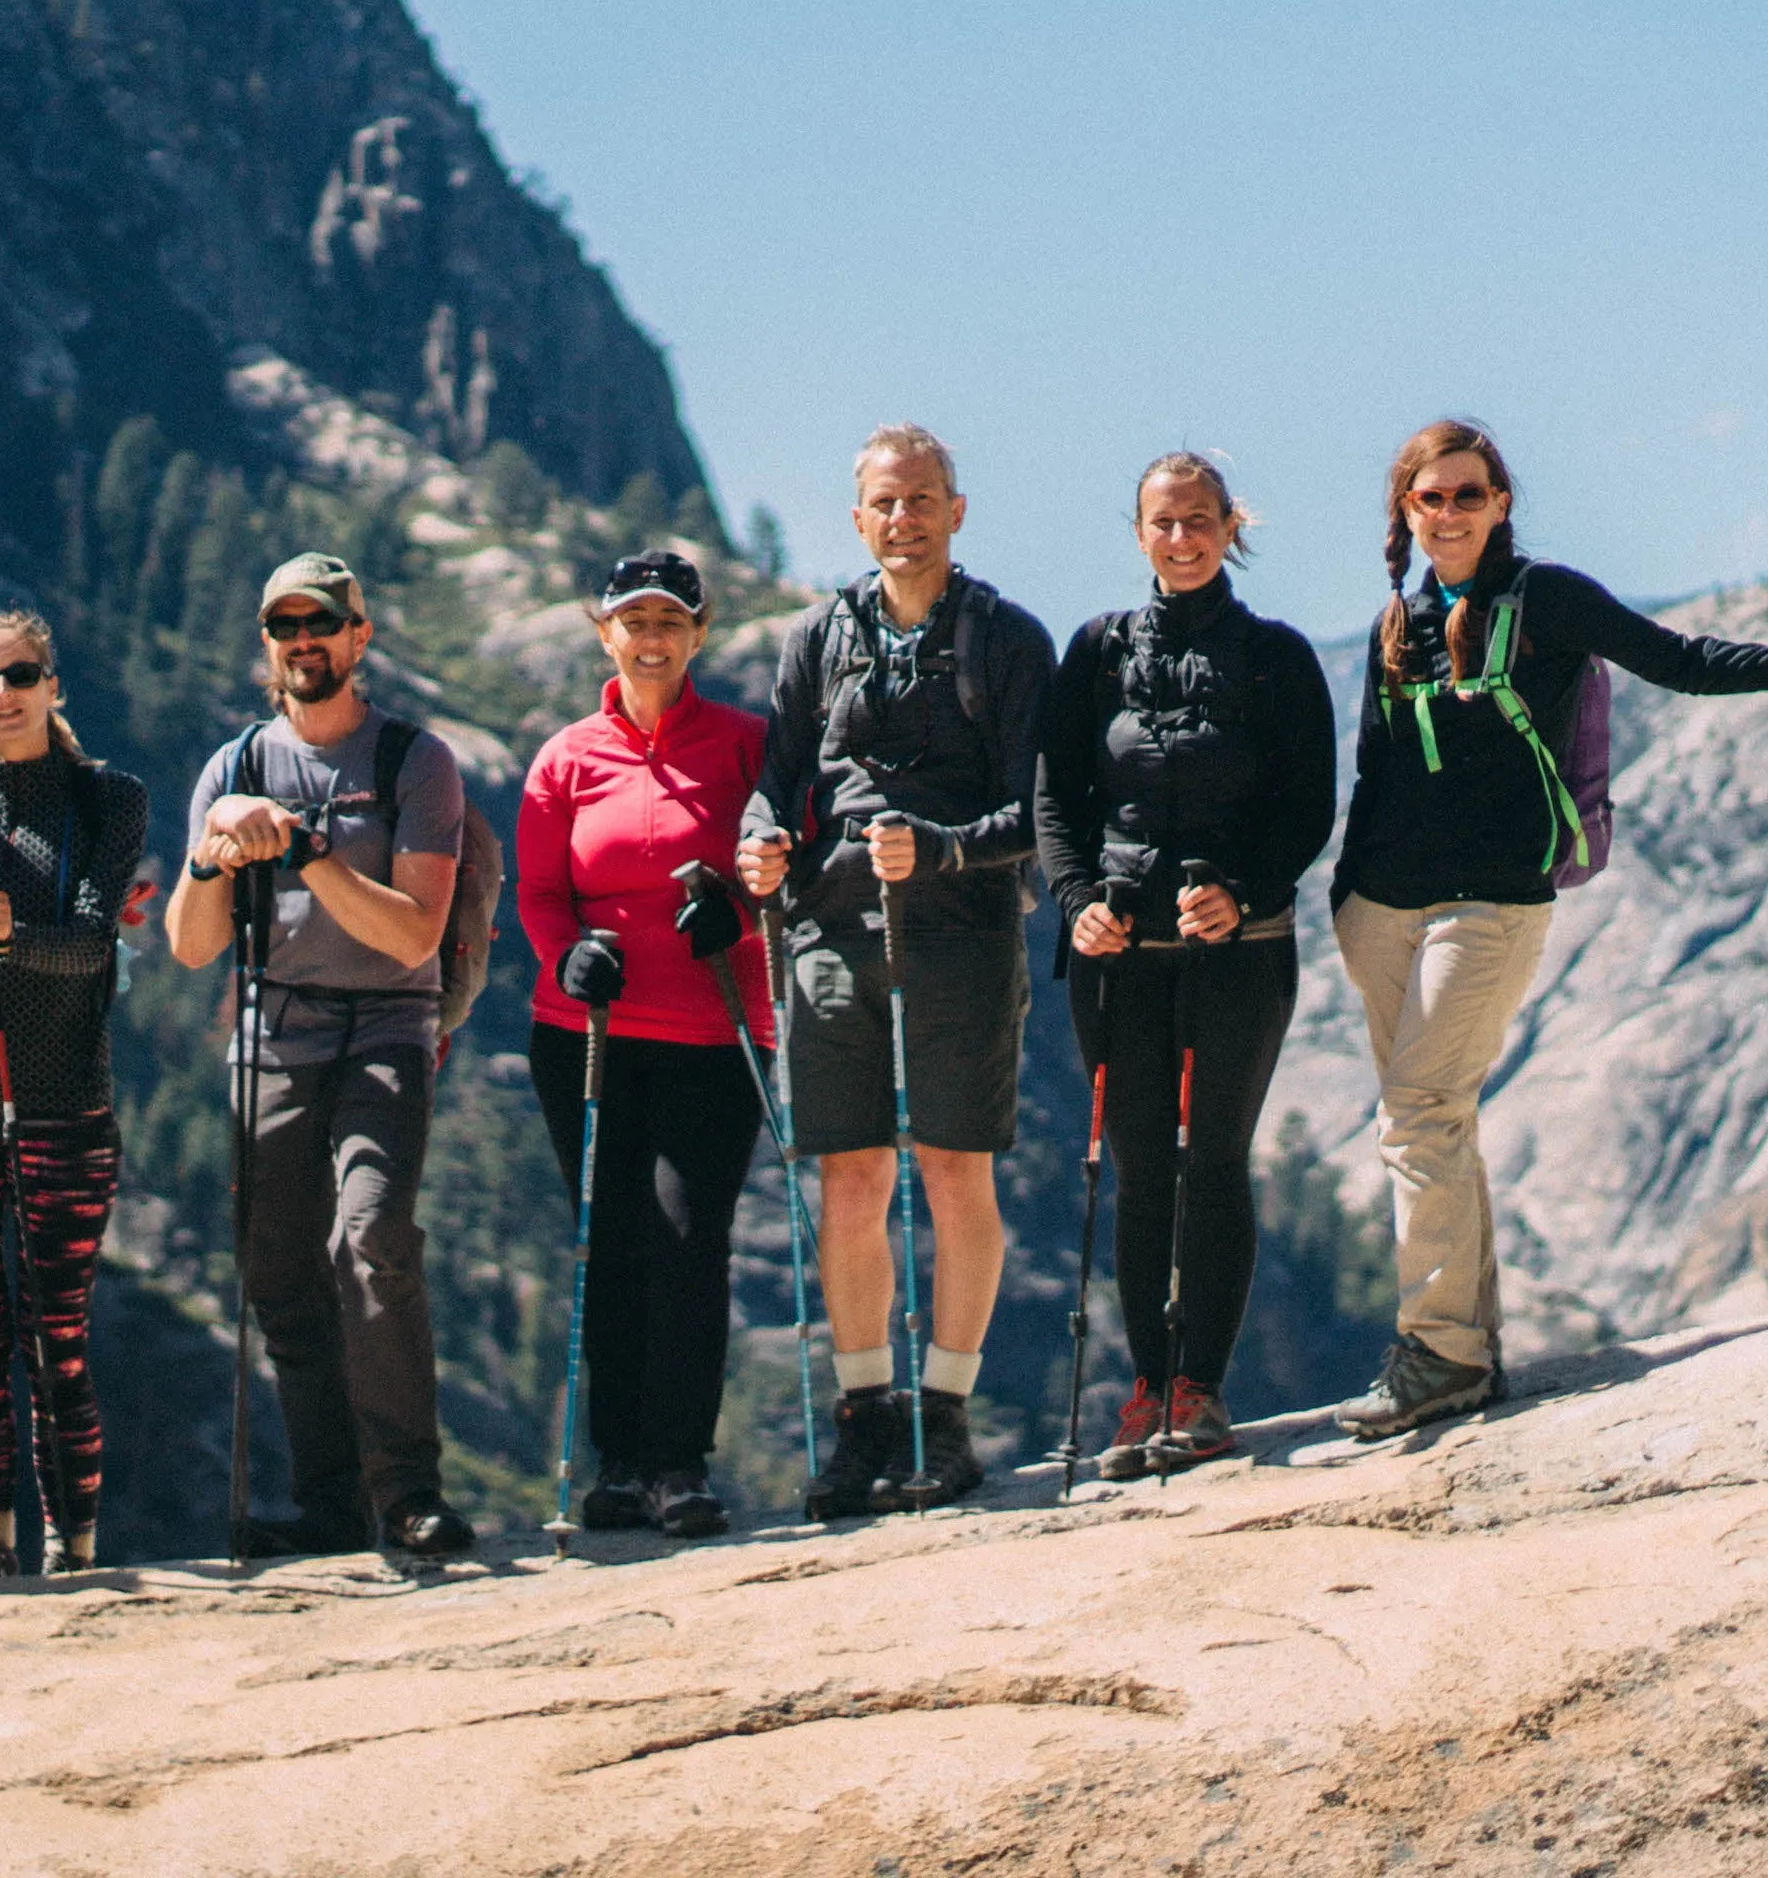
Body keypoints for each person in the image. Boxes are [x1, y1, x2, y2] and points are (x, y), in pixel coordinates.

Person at [1327, 418, 1768, 1439]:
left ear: (1501, 505)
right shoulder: (1394, 625)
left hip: (1490, 904)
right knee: (1439, 1119)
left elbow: (1679, 660)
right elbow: (1375, 770)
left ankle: (1439, 1351)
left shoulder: (1549, 599)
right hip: (1384, 910)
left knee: (1415, 1113)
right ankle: (1465, 1352)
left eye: (1468, 495)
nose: (1449, 513)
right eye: (1430, 497)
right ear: (1405, 510)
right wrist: (1347, 900)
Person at [738, 425, 1053, 1514]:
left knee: (956, 1172)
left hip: (961, 933)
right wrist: (759, 841)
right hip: (830, 930)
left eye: (923, 499)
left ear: (956, 511)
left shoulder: (1008, 640)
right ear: (858, 519)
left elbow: (1042, 811)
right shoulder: (818, 639)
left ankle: (946, 1417)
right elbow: (776, 776)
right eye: (885, 503)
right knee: (853, 1177)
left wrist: (948, 848)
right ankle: (867, 1422)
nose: (903, 519)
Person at [162, 552, 478, 1563]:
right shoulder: (233, 770)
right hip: (275, 1037)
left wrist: (304, 851)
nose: (305, 643)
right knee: (279, 1270)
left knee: (372, 1237)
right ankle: (330, 1506)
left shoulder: (414, 763)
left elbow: (414, 935)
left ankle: (409, 1497)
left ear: (359, 636)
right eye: (286, 628)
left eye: (323, 625)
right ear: (270, 645)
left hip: (386, 1028)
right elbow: (190, 942)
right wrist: (215, 855)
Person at [1035, 452, 1335, 1478]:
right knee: (1139, 1174)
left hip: (1238, 956)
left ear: (1229, 525)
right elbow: (1056, 802)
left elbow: (1307, 806)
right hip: (1121, 962)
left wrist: (1243, 891)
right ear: (1138, 533)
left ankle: (1198, 1393)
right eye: (1163, 522)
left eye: (1199, 520)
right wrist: (1077, 905)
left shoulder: (1277, 658)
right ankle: (1148, 1392)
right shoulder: (1097, 652)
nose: (1182, 538)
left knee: (1212, 1163)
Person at [514, 549, 774, 1540]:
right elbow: (541, 891)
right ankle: (619, 1465)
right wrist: (567, 952)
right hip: (588, 1032)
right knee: (611, 1244)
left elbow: (778, 870)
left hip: (714, 1031)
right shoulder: (565, 758)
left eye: (672, 619)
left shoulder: (748, 745)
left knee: (686, 1241)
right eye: (634, 619)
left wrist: (740, 918)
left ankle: (677, 1463)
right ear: (604, 634)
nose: (652, 635)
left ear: (700, 634)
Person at [0, 610, 151, 1580]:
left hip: (67, 1105)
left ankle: (76, 1554)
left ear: (53, 685)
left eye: (19, 676)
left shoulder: (106, 800)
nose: (1, 696)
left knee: (58, 1337)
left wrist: (11, 937)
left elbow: (95, 945)